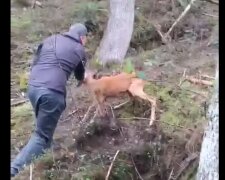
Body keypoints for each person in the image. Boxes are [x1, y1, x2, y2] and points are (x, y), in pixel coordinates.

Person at [11, 23, 88, 177]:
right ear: (82, 37)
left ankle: (50, 154)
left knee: (44, 129)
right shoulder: (79, 49)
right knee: (41, 136)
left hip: (33, 88)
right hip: (52, 93)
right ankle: (14, 170)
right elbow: (80, 77)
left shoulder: (51, 39)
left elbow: (36, 61)